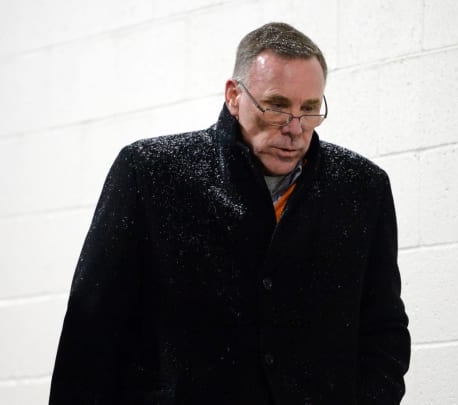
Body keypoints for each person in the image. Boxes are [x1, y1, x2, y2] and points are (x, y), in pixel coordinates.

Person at [49, 22, 410, 404]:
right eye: (276, 106)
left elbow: (383, 331)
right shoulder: (150, 173)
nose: (294, 128)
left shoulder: (361, 187)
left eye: (309, 109)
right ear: (234, 96)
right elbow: (91, 333)